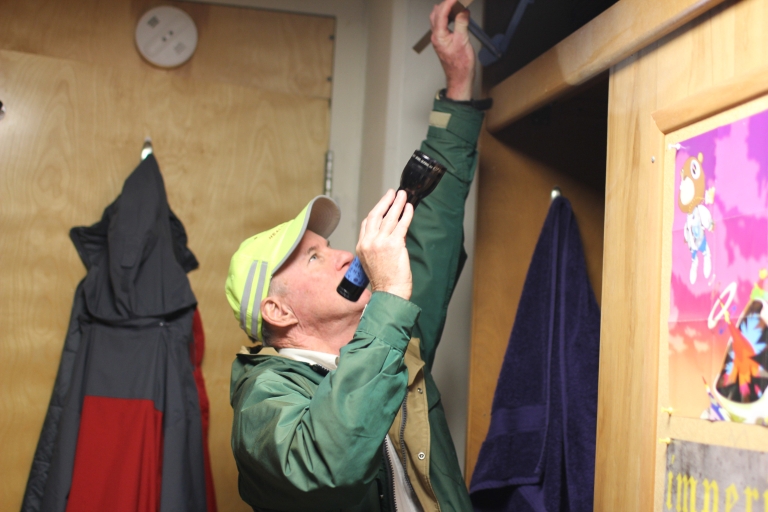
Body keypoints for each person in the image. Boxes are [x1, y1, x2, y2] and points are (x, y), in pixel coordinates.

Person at [225, 1, 486, 510]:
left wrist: (457, 86)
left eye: (330, 246)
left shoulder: (392, 341)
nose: (345, 254)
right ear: (277, 311)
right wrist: (387, 298)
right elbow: (325, 466)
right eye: (315, 259)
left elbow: (430, 234)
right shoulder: (264, 401)